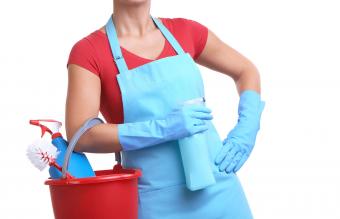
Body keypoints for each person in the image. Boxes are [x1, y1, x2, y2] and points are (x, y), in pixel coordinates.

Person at [66, 0, 265, 218]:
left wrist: (247, 129)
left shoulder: (186, 31)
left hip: (221, 189)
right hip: (156, 202)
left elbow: (246, 71)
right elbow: (81, 135)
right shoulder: (89, 52)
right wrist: (164, 128)